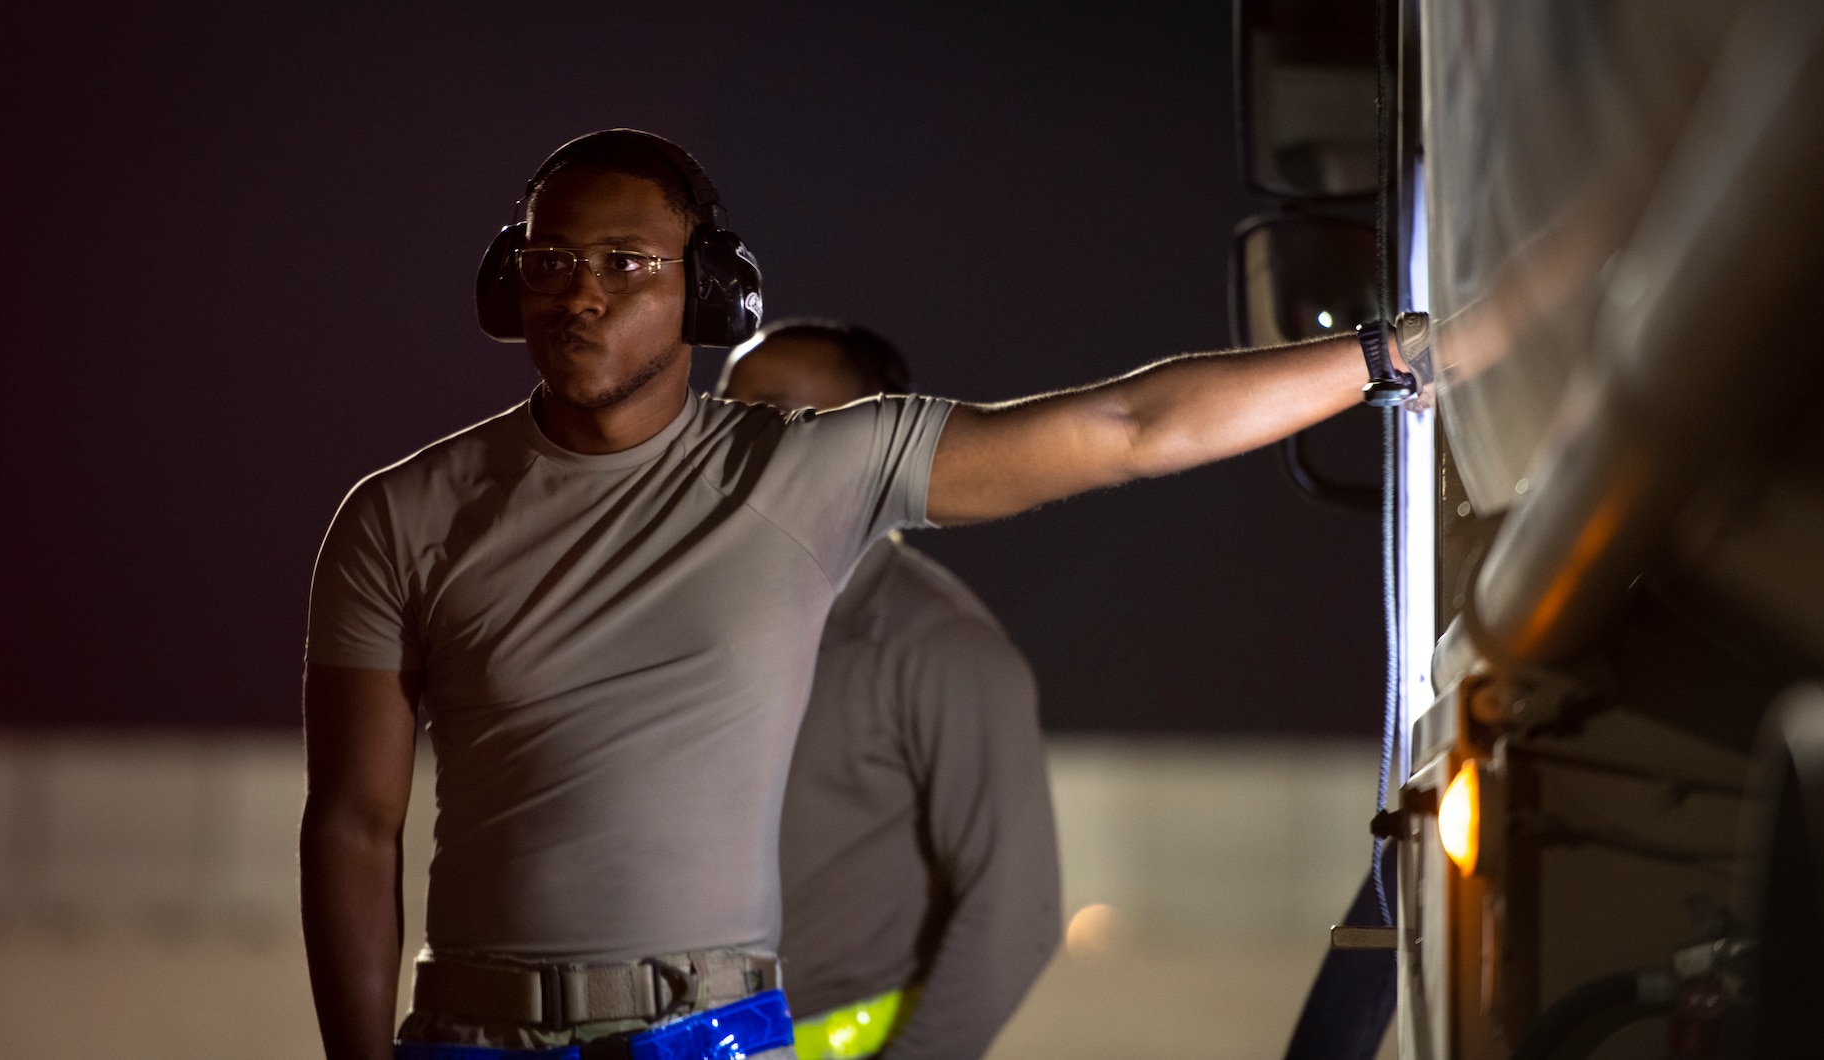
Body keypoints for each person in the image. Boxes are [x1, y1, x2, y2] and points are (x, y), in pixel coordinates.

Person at [301, 129, 1419, 1060]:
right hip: (463, 1035)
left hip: (705, 1035)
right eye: (551, 262)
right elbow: (354, 824)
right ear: (510, 282)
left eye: (626, 262)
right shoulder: (401, 514)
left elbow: (1129, 427)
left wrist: (1393, 353)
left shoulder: (806, 469)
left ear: (705, 289)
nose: (581, 295)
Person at [717, 320, 1062, 1060]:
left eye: (781, 419)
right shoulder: (687, 619)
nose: (737, 445)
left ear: (880, 446)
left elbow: (1014, 916)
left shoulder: (937, 648)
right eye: (727, 415)